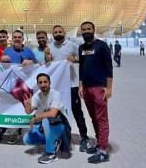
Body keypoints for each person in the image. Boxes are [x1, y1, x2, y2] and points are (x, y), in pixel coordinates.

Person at [48, 25, 89, 151]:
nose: (58, 33)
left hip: (72, 85)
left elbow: (85, 58)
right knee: (58, 113)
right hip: (57, 87)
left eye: (60, 31)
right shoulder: (50, 47)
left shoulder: (72, 45)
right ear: (53, 34)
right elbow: (48, 64)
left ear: (64, 32)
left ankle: (84, 137)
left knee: (77, 112)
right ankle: (61, 137)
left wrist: (75, 59)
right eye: (56, 32)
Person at [79, 21, 113, 164]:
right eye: (84, 30)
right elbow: (81, 67)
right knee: (93, 118)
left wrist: (109, 87)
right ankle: (99, 143)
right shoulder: (81, 48)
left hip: (99, 88)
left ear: (93, 30)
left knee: (102, 119)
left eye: (88, 29)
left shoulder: (101, 45)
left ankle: (103, 151)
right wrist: (81, 86)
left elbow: (109, 66)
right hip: (86, 88)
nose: (86, 31)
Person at [23, 73, 71, 164]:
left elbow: (52, 114)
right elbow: (28, 111)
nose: (43, 84)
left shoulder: (55, 94)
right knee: (27, 139)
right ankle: (54, 142)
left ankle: (51, 153)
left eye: (45, 82)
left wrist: (35, 117)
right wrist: (28, 104)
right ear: (38, 84)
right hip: (49, 127)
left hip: (61, 127)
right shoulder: (38, 96)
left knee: (45, 120)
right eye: (40, 82)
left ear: (50, 83)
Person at [1, 30, 38, 144]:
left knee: (24, 108)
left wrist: (31, 61)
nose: (17, 39)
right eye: (15, 37)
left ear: (23, 39)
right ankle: (14, 132)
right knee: (12, 108)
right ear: (12, 39)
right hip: (12, 85)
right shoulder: (7, 51)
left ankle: (22, 131)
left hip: (24, 84)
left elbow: (38, 64)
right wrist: (1, 60)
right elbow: (0, 67)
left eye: (19, 37)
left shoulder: (29, 51)